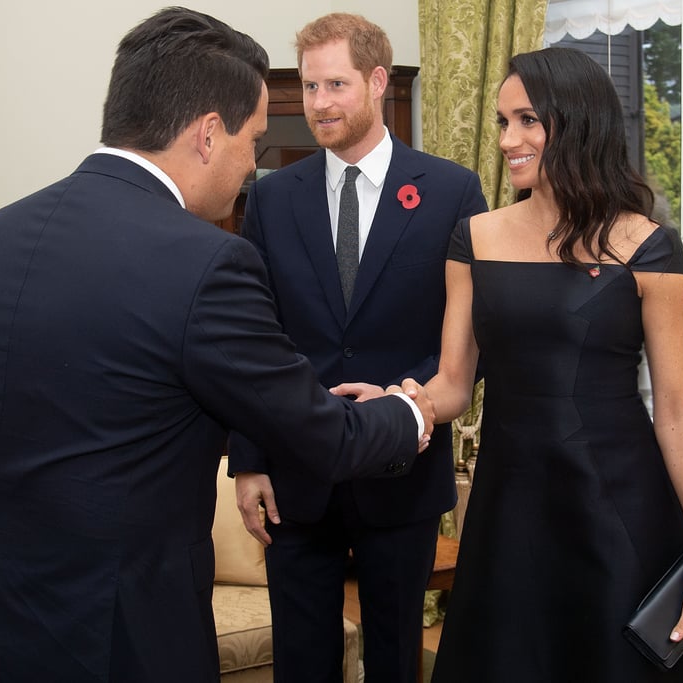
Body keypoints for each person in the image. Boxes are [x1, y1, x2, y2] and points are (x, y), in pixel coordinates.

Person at [0, 8, 435, 683]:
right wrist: (410, 413)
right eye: (252, 137)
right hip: (111, 639)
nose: (254, 162)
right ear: (208, 135)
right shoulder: (205, 263)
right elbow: (318, 434)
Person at [412, 47, 683, 681]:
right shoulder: (474, 238)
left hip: (616, 507)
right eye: (502, 121)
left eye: (527, 120)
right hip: (508, 509)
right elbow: (453, 383)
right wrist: (405, 405)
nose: (508, 139)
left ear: (576, 122)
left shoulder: (649, 247)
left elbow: (675, 410)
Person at [226, 12, 487, 683]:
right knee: (302, 663)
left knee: (396, 659)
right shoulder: (273, 197)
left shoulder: (452, 191)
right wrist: (247, 461)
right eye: (310, 88)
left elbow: (467, 334)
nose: (319, 104)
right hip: (295, 477)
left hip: (403, 467)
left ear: (377, 81)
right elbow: (252, 335)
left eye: (335, 85)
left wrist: (408, 399)